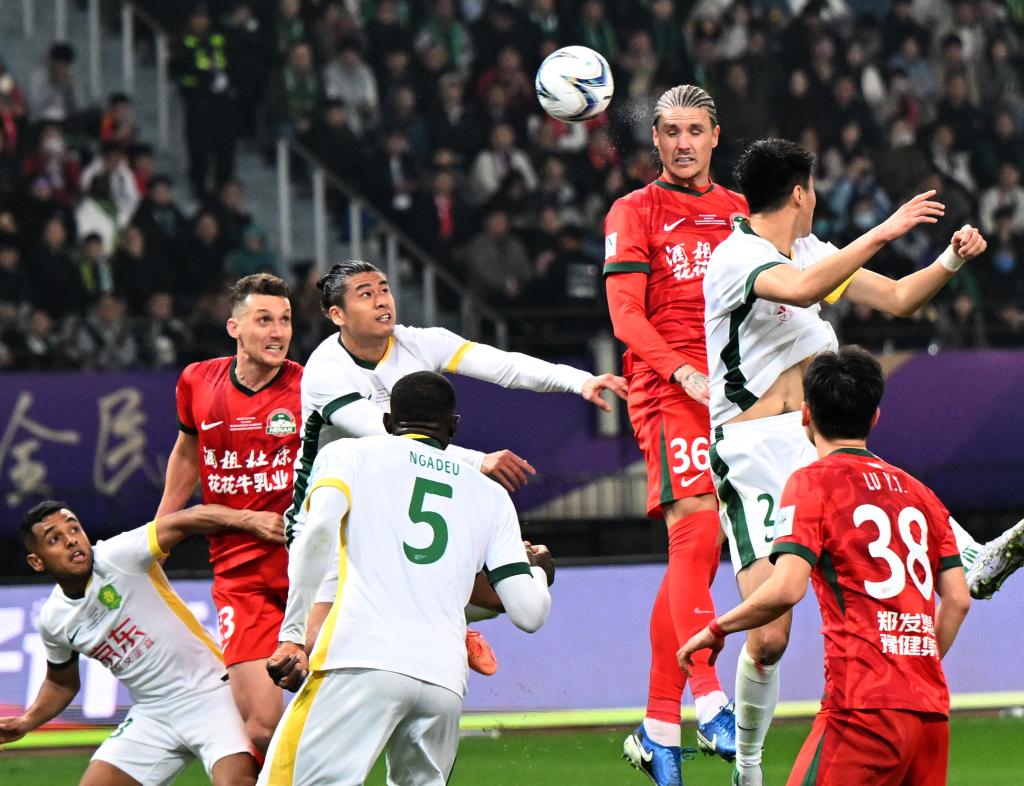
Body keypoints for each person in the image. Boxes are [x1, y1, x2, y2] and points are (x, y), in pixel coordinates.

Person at [702, 138, 991, 786]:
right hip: (752, 451)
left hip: (814, 441)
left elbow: (899, 298)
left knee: (881, 500)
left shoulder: (813, 251)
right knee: (770, 637)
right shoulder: (734, 256)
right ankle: (747, 765)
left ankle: (972, 558)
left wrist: (950, 258)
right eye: (814, 188)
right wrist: (885, 229)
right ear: (799, 192)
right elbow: (803, 290)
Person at [285, 259, 622, 674]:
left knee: (500, 597)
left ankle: (456, 622)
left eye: (384, 289)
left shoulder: (421, 343)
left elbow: (504, 365)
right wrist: (478, 461)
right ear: (337, 314)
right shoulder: (325, 371)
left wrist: (578, 381)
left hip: (400, 506)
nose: (382, 301)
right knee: (316, 644)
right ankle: (443, 627)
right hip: (336, 512)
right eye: (366, 294)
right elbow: (384, 434)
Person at [678, 347, 972, 786]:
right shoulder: (920, 493)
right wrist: (913, 671)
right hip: (930, 716)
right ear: (875, 418)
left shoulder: (812, 483)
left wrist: (716, 629)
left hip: (862, 710)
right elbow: (958, 599)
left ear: (805, 415)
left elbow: (786, 588)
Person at [260, 371, 552, 785]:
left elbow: (318, 532)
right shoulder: (492, 496)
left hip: (359, 660)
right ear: (454, 427)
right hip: (443, 682)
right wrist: (538, 569)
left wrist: (291, 635)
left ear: (387, 422)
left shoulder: (350, 454)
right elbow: (529, 614)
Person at [604, 84, 746, 782]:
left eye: (695, 130)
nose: (683, 143)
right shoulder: (634, 210)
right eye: (670, 131)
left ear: (715, 136)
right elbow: (625, 316)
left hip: (736, 393)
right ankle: (710, 696)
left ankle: (658, 728)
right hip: (670, 389)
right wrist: (682, 372)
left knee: (702, 553)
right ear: (655, 139)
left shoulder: (741, 211)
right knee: (694, 526)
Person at [0, 500, 285, 785]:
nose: (71, 541)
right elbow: (61, 684)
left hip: (212, 695)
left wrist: (249, 519)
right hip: (152, 714)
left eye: (74, 529)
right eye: (55, 539)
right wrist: (27, 721)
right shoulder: (54, 619)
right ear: (37, 561)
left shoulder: (118, 555)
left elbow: (190, 518)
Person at [156, 273, 301, 757]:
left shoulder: (311, 388)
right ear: (234, 327)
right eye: (264, 320)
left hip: (311, 575)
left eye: (285, 320)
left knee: (341, 715)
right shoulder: (197, 381)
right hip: (240, 576)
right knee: (261, 728)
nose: (277, 332)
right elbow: (186, 452)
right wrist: (162, 533)